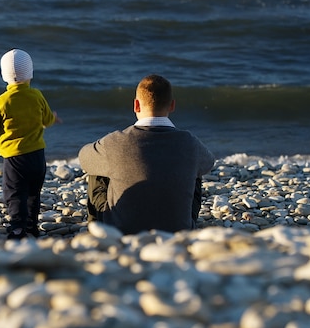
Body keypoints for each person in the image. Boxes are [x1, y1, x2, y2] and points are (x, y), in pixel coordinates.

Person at [78, 74, 215, 235]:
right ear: (172, 106)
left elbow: (84, 158)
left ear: (136, 105)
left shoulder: (115, 141)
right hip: (177, 231)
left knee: (98, 167)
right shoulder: (190, 142)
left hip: (121, 230)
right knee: (195, 170)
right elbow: (209, 163)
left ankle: (98, 231)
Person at [0, 49, 60, 239]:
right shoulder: (37, 96)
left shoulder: (2, 102)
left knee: (15, 194)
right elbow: (47, 118)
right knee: (34, 193)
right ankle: (32, 228)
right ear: (31, 72)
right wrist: (53, 119)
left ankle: (17, 228)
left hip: (15, 159)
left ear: (4, 75)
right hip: (37, 155)